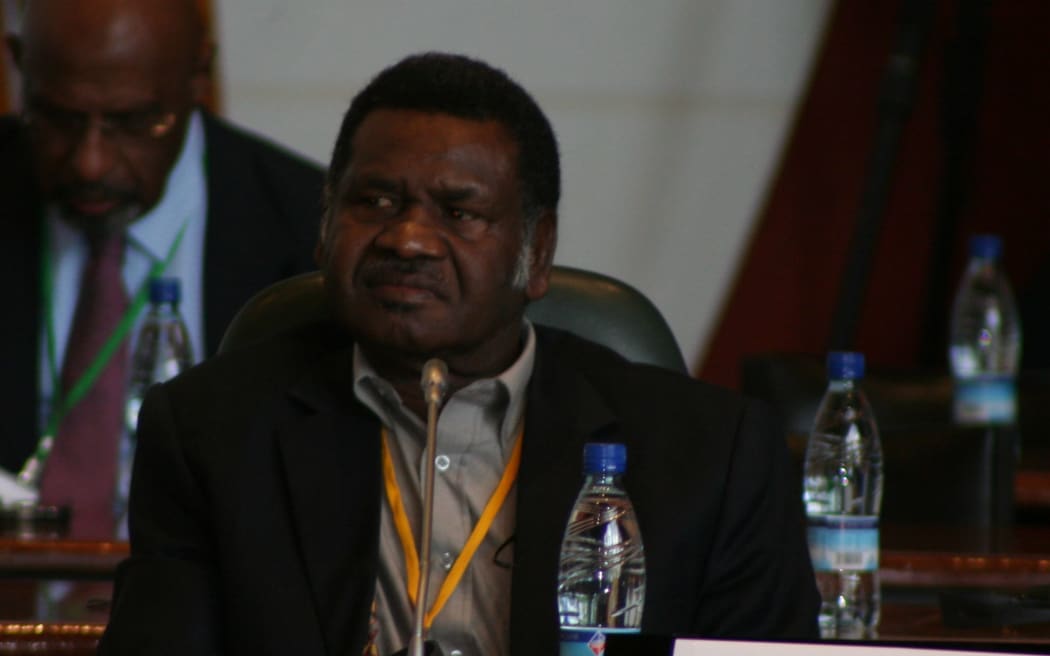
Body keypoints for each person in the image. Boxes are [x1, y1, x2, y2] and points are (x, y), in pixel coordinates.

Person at [99, 52, 819, 655]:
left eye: (459, 211)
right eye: (375, 202)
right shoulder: (210, 432)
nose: (408, 239)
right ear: (324, 227)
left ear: (537, 252)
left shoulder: (712, 457)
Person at [0, 0, 323, 537]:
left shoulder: (309, 234)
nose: (90, 162)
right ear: (18, 64)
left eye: (132, 122)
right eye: (59, 118)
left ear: (198, 75)